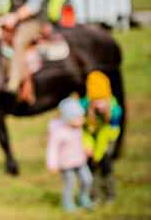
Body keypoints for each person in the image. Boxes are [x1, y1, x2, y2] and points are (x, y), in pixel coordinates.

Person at [0, 0, 48, 95]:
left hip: (34, 21)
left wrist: (15, 17)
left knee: (19, 42)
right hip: (20, 20)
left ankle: (15, 80)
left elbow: (34, 5)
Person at [81, 71, 122, 204]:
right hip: (92, 140)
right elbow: (84, 130)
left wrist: (97, 155)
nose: (99, 105)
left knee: (106, 165)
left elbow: (105, 135)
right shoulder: (84, 107)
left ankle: (110, 194)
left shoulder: (115, 112)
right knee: (91, 168)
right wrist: (87, 146)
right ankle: (94, 196)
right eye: (96, 102)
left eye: (102, 101)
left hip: (108, 140)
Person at [46, 97, 93, 211]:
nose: (80, 121)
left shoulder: (78, 128)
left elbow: (83, 139)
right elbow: (52, 149)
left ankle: (83, 197)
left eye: (81, 117)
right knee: (70, 184)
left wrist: (87, 148)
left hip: (80, 160)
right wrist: (52, 164)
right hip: (66, 164)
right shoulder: (59, 132)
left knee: (87, 179)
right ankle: (67, 203)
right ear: (67, 118)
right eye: (77, 119)